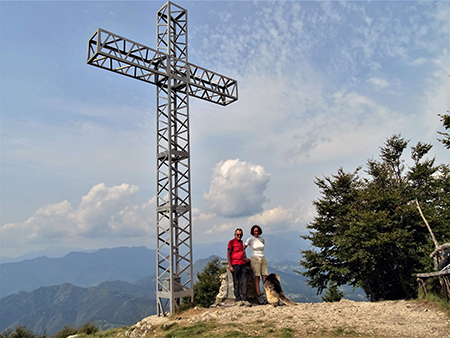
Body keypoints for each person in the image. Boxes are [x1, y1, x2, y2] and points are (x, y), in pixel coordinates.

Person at [244, 224, 268, 305]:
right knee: (257, 278)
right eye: (255, 231)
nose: (256, 232)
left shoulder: (262, 239)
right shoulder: (250, 239)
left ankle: (267, 295)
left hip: (262, 258)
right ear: (252, 232)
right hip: (255, 258)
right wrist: (245, 257)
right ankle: (259, 296)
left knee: (265, 277)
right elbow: (243, 248)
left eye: (257, 231)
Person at [227, 228, 251, 307]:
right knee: (236, 282)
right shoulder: (231, 242)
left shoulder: (241, 242)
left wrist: (245, 258)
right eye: (238, 234)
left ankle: (244, 299)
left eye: (240, 235)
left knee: (244, 282)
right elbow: (228, 254)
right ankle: (238, 299)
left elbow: (242, 252)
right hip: (235, 264)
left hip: (242, 264)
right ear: (235, 235)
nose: (239, 236)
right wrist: (230, 266)